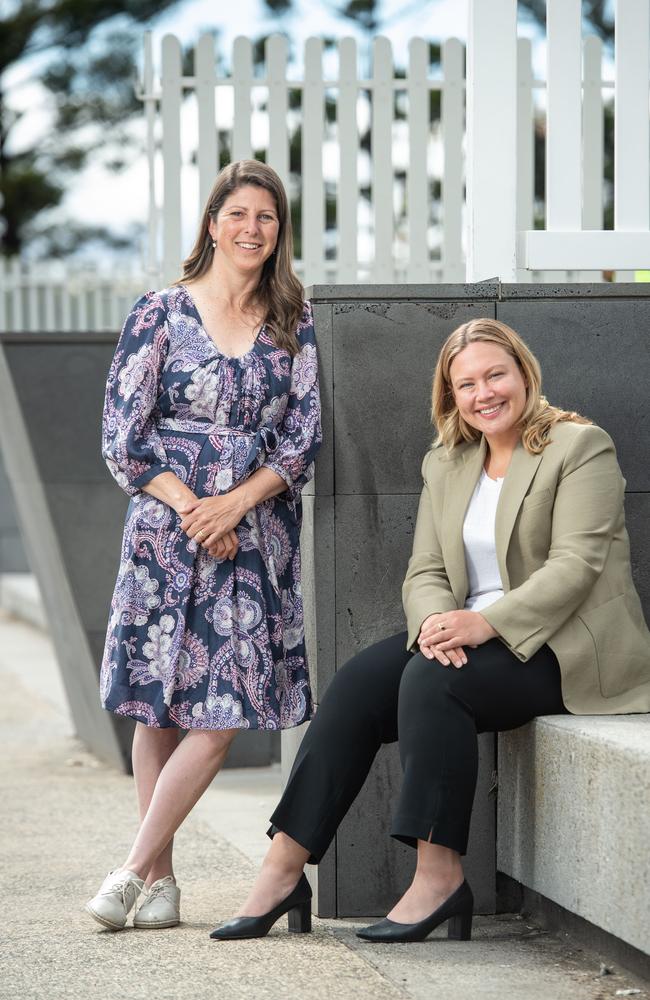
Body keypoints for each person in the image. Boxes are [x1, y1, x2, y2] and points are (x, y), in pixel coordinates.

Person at [210, 317, 650, 943]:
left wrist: (482, 622)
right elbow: (425, 569)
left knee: (433, 683)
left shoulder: (579, 447)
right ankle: (283, 868)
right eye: (466, 383)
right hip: (470, 633)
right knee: (361, 681)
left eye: (496, 375)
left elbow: (576, 567)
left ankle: (439, 877)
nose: (484, 393)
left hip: (566, 645)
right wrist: (438, 624)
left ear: (524, 374)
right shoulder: (449, 460)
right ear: (451, 395)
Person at [85, 160, 321, 931]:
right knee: (156, 712)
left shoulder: (294, 319)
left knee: (218, 715)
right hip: (167, 532)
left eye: (267, 218)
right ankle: (162, 882)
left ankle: (126, 870)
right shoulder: (158, 313)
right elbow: (124, 438)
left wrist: (236, 505)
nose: (252, 229)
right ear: (212, 222)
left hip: (252, 541)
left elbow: (300, 441)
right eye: (239, 214)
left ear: (279, 233)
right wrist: (195, 509)